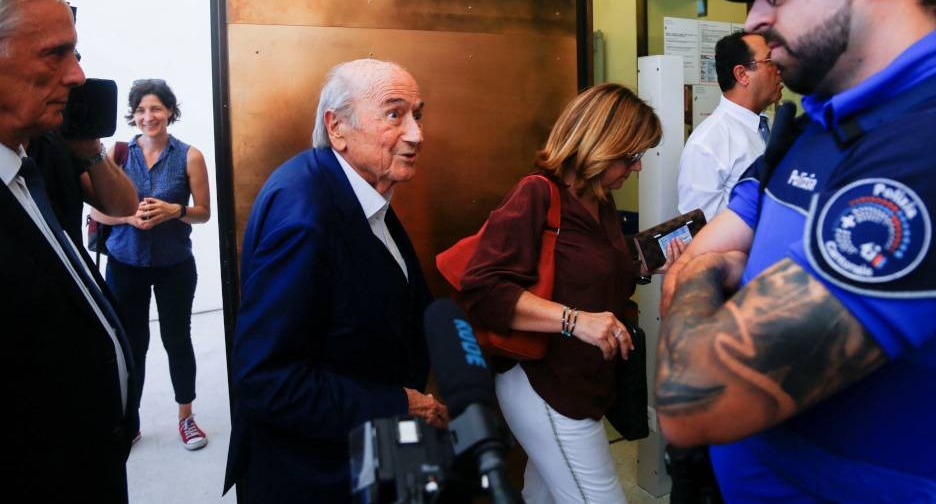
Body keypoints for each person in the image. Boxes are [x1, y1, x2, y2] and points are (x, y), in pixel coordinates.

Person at [655, 0, 936, 503]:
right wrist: (708, 268)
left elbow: (690, 393)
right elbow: (690, 266)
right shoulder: (812, 127)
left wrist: (712, 272)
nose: (755, 18)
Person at [224, 58, 447, 502]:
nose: (416, 134)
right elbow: (267, 380)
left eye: (417, 114)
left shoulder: (357, 188)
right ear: (337, 127)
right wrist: (403, 404)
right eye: (394, 114)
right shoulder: (304, 218)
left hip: (369, 454)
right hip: (318, 474)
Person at [460, 83, 662, 504]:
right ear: (602, 144)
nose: (638, 167)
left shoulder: (601, 201)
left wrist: (641, 265)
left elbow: (592, 278)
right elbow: (484, 289)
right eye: (632, 155)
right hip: (545, 384)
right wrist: (575, 320)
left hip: (582, 382)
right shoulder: (536, 194)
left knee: (543, 496)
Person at [1, 0, 137, 501]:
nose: (78, 76)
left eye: (76, 54)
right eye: (56, 54)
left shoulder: (42, 152)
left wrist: (89, 149)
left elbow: (121, 205)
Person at [90, 79, 212, 449]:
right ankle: (131, 420)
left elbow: (203, 213)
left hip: (175, 264)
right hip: (125, 264)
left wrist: (174, 210)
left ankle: (186, 417)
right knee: (133, 345)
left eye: (156, 108)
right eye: (141, 110)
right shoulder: (116, 155)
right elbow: (96, 212)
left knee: (177, 339)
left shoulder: (190, 156)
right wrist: (129, 217)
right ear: (133, 114)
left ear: (170, 111)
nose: (149, 116)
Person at [677, 31, 782, 220]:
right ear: (742, 74)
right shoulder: (705, 144)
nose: (779, 70)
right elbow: (704, 227)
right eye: (770, 61)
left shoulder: (770, 126)